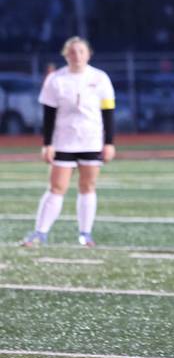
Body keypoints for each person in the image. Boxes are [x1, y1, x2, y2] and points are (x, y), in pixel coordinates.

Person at [21, 36, 116, 248]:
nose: (77, 56)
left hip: (91, 140)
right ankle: (40, 233)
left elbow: (108, 112)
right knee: (57, 187)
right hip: (64, 141)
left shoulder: (100, 78)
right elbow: (49, 114)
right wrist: (47, 144)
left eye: (81, 51)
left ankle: (85, 234)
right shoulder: (56, 79)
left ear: (89, 54)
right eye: (72, 52)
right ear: (66, 55)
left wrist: (109, 143)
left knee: (88, 186)